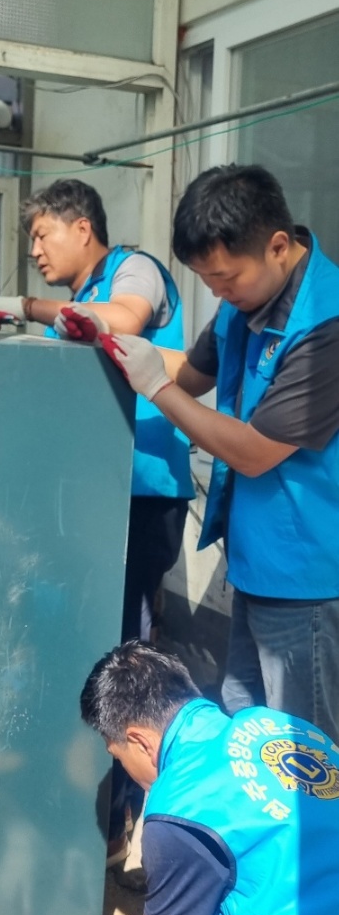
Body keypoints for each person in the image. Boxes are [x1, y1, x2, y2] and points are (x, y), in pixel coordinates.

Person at [0, 178, 194, 861]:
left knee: (125, 653)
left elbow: (123, 319)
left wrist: (24, 307)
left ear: (82, 229)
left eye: (42, 234)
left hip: (139, 495)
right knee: (82, 644)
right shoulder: (76, 301)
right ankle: (82, 807)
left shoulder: (133, 269)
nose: (35, 249)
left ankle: (126, 822)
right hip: (89, 498)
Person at [97, 164, 339, 743]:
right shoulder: (247, 298)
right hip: (256, 564)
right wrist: (113, 343)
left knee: (305, 749)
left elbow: (254, 453)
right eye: (205, 279)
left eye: (224, 278)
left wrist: (156, 387)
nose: (215, 292)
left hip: (307, 578)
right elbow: (194, 374)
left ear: (277, 246)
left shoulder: (324, 327)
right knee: (248, 724)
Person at [78, 640, 339, 915]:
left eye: (118, 755)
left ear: (139, 742)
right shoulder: (281, 727)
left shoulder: (181, 807)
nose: (123, 767)